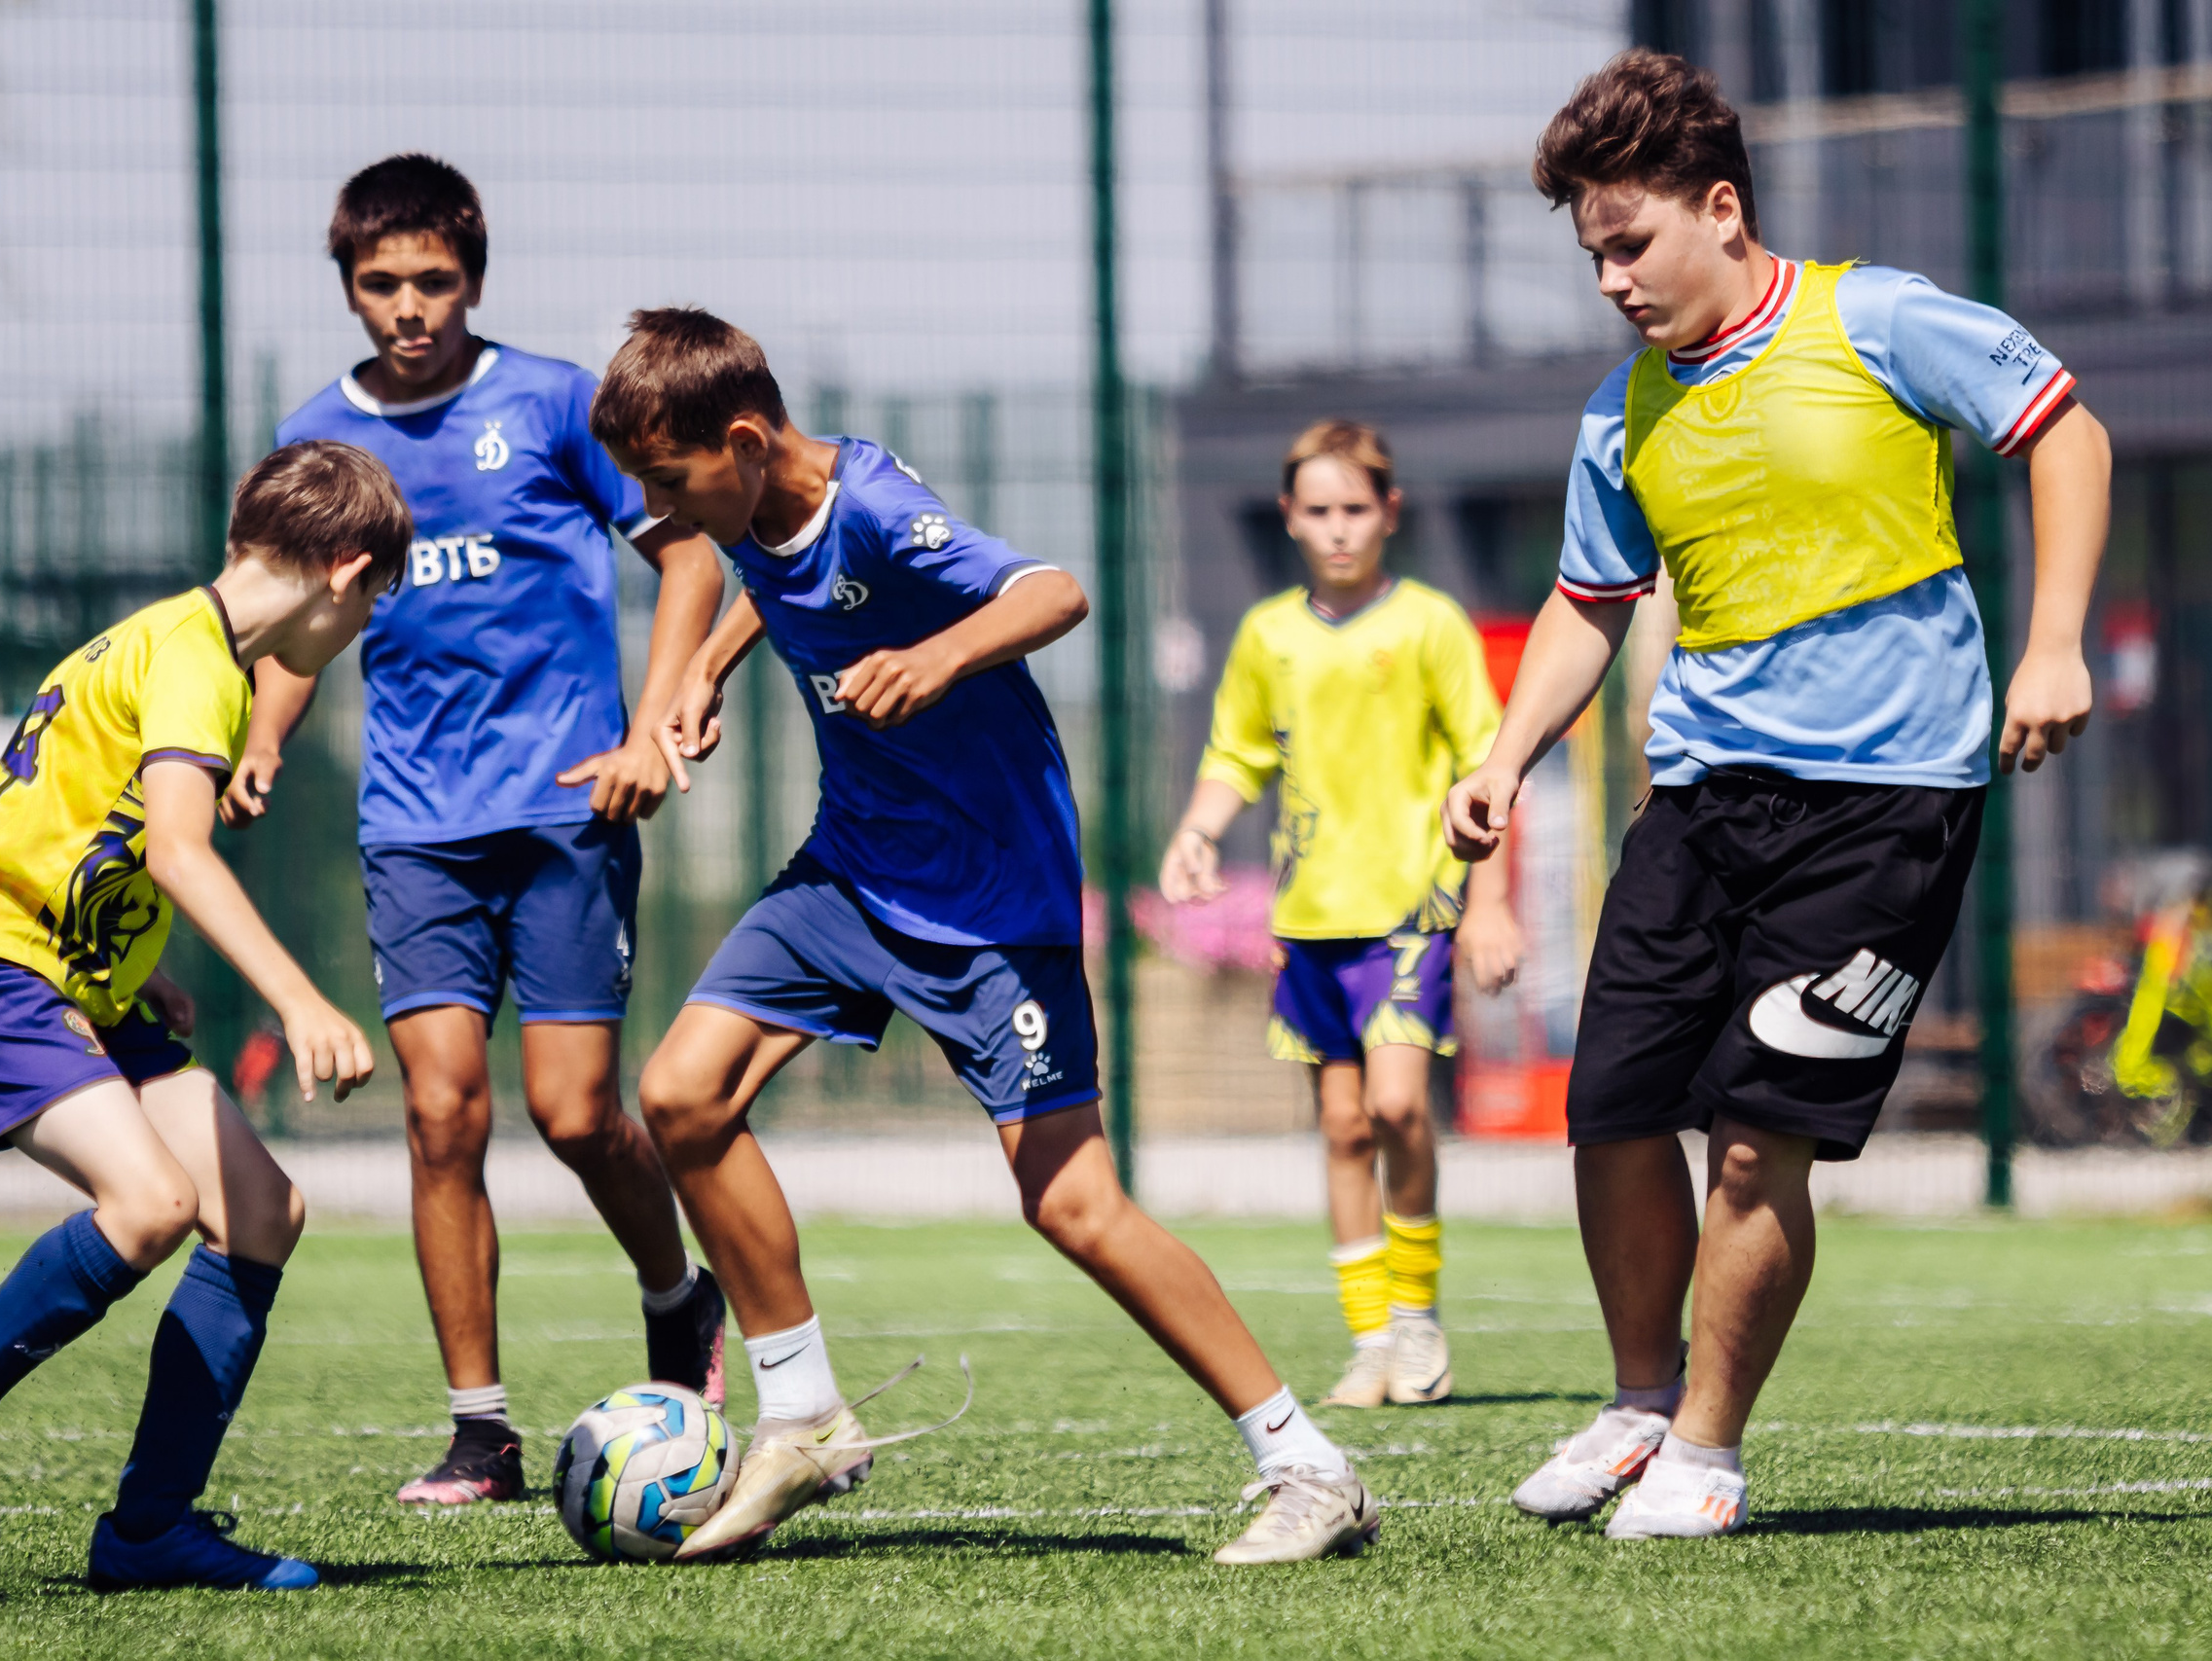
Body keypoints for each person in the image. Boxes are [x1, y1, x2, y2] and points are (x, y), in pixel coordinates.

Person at [1443, 51, 2111, 1539]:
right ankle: (1636, 1401)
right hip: (1699, 797)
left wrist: (2055, 640)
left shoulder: (1876, 317)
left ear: (1722, 209)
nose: (1611, 279)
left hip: (1886, 805)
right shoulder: (1622, 414)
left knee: (1758, 1134)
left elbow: (2067, 431)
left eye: (1630, 242)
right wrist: (1502, 759)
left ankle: (1709, 1447)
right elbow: (1584, 604)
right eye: (1592, 255)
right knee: (1611, 1106)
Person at [593, 307, 1379, 1566]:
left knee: (1071, 1201)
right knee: (682, 1093)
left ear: (742, 442)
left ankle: (1308, 1460)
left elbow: (1048, 590)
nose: (660, 509)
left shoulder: (878, 506)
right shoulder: (760, 510)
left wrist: (941, 654)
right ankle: (800, 1414)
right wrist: (711, 668)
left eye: (668, 480)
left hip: (990, 902)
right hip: (851, 871)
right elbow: (767, 577)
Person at [237, 155, 729, 1508]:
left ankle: (677, 1296)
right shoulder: (316, 439)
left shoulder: (556, 402)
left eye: (433, 281)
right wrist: (267, 735)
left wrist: (653, 721)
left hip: (568, 810)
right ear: (347, 285)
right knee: (442, 1114)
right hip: (414, 828)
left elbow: (690, 553)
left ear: (474, 276)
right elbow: (294, 620)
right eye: (383, 283)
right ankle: (481, 1429)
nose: (410, 306)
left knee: (577, 1114)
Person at [0, 440, 411, 1591]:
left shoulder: (171, 636)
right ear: (344, 572)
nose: (360, 632)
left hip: (71, 976)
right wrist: (302, 1000)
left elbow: (71, 811)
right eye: (372, 604)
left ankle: (151, 1529)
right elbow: (175, 848)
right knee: (151, 1204)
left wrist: (122, 958)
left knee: (259, 1211)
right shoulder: (199, 665)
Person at [1160, 420, 1519, 1411]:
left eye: (1355, 509)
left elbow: (1488, 766)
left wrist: (1486, 905)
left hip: (1412, 908)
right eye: (1316, 511)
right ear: (1288, 518)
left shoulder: (1430, 624)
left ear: (1390, 512)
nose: (1337, 530)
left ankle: (1415, 1319)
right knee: (1342, 1127)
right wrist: (1198, 830)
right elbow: (1237, 753)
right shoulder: (1268, 634)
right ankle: (1369, 1341)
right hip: (1309, 921)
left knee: (1400, 1107)